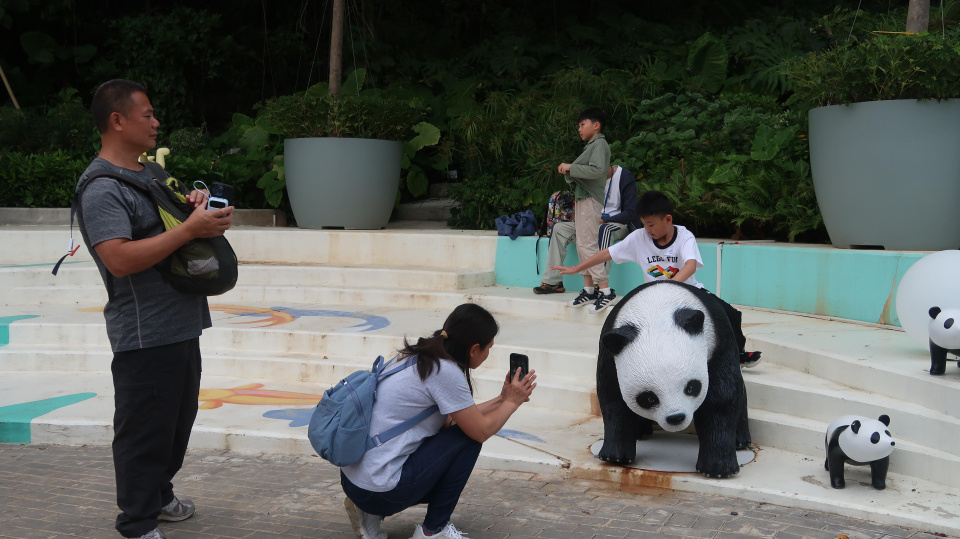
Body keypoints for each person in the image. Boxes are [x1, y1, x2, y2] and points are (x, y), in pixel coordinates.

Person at [77, 79, 235, 539]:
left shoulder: (149, 173)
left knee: (175, 423)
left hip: (181, 323)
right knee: (144, 431)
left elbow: (170, 227)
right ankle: (137, 523)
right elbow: (119, 259)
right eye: (146, 114)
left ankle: (159, 496)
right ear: (117, 121)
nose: (156, 122)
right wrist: (190, 230)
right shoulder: (102, 188)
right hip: (144, 332)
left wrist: (195, 209)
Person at [339, 303, 537, 539]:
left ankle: (366, 513)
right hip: (381, 491)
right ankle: (432, 531)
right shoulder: (445, 372)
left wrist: (503, 399)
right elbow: (480, 430)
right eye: (488, 349)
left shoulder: (420, 355)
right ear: (474, 349)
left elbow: (457, 418)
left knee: (456, 433)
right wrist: (512, 402)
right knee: (468, 441)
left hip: (354, 482)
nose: (487, 355)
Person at [551, 190, 762, 367]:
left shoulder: (684, 236)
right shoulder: (639, 238)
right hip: (655, 298)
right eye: (644, 224)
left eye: (651, 225)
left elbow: (690, 265)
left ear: (668, 219)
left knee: (731, 314)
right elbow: (607, 253)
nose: (647, 230)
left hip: (690, 291)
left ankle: (738, 355)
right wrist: (577, 267)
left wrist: (670, 286)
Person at [534, 164, 640, 315]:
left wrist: (605, 220)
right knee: (559, 229)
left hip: (617, 224)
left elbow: (631, 212)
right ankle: (553, 282)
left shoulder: (624, 176)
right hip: (592, 223)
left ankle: (599, 286)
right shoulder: (590, 178)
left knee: (604, 229)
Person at [556, 108, 614, 312]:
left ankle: (605, 290)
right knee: (582, 244)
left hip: (590, 200)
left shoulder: (599, 144)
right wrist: (570, 171)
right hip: (583, 198)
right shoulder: (591, 145)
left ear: (596, 125)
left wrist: (571, 167)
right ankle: (589, 290)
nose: (579, 129)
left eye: (582, 124)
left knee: (588, 244)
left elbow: (597, 171)